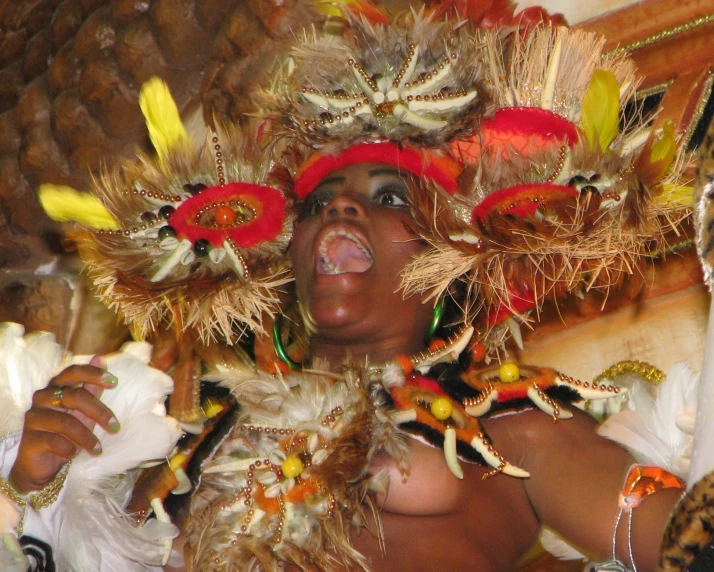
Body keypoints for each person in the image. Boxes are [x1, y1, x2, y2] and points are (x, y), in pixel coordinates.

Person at [2, 9, 711, 572]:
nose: (339, 210)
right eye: (318, 202)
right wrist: (39, 485)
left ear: (445, 253)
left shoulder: (513, 423)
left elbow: (674, 539)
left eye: (389, 197)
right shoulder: (197, 439)